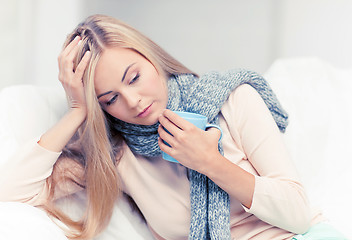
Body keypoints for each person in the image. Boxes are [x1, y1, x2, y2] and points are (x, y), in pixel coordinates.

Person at [0, 14, 347, 240]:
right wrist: (77, 110)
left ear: (151, 57)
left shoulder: (232, 100)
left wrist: (211, 163)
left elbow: (299, 214)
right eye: (110, 99)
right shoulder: (116, 156)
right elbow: (11, 191)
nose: (133, 101)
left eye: (134, 77)